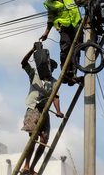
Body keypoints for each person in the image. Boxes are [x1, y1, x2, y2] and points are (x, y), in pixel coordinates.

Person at [20, 46, 64, 175]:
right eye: (51, 67)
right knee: (33, 138)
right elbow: (23, 63)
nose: (52, 70)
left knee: (44, 140)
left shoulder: (54, 82)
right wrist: (32, 50)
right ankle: (26, 166)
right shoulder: (35, 75)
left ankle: (32, 167)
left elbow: (55, 97)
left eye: (53, 68)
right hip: (34, 108)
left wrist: (58, 111)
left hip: (44, 111)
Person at [39, 0, 86, 85]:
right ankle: (65, 73)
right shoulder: (49, 3)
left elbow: (78, 1)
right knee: (66, 48)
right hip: (64, 27)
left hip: (76, 23)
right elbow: (50, 19)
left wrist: (86, 1)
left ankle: (73, 73)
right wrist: (46, 32)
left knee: (77, 48)